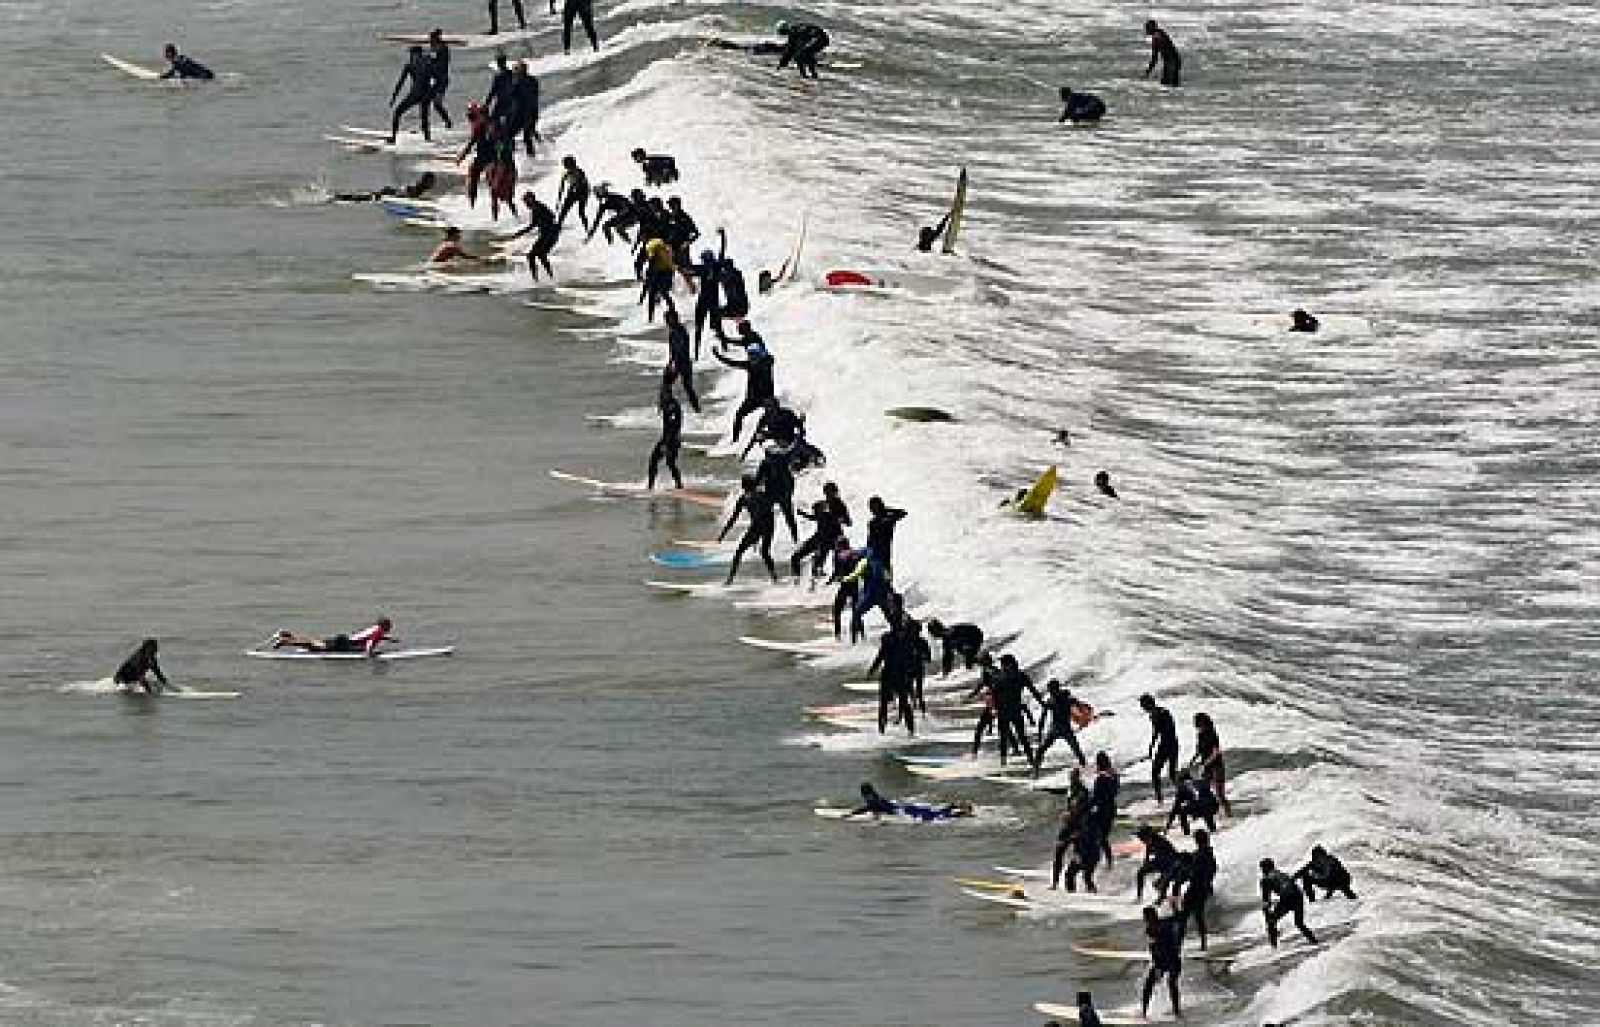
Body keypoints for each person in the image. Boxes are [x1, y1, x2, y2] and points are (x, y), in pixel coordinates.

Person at [713, 323, 776, 440]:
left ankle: (774, 438)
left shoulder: (765, 363)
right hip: (753, 398)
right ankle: (735, 440)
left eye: (753, 356)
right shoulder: (750, 364)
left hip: (766, 398)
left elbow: (769, 358)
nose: (751, 358)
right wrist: (718, 356)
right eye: (750, 356)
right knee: (739, 415)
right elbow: (732, 363)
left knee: (772, 418)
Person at [719, 475, 779, 584]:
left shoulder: (761, 495)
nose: (743, 486)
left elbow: (770, 509)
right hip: (756, 526)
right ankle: (730, 580)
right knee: (739, 552)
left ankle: (774, 578)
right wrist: (724, 533)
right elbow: (734, 517)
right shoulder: (743, 499)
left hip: (767, 526)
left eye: (744, 484)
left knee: (764, 552)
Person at [868, 620, 919, 735]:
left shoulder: (905, 641)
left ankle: (910, 731)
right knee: (885, 704)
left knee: (902, 703)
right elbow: (881, 655)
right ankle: (882, 731)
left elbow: (910, 660)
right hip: (890, 674)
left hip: (898, 675)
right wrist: (873, 668)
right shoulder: (897, 640)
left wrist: (873, 669)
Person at [1050, 767, 1095, 891]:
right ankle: (1055, 882)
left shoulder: (1083, 792)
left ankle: (1088, 884)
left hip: (1079, 827)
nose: (1071, 780)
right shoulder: (1071, 789)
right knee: (1059, 852)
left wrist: (1072, 813)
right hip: (1068, 826)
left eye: (1073, 777)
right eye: (1070, 777)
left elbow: (1082, 808)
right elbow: (1070, 805)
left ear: (1078, 777)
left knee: (1079, 856)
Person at [1260, 857, 1318, 947]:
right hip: (1298, 896)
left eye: (1262, 868)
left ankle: (1274, 948)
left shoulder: (1265, 880)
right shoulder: (1282, 874)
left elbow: (1266, 901)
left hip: (1288, 899)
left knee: (1271, 921)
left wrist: (1267, 914)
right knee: (1299, 923)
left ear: (1264, 869)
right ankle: (1314, 942)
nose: (1262, 870)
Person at [841, 547, 896, 640]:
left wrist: (844, 579)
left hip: (870, 594)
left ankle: (855, 641)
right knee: (889, 615)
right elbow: (888, 576)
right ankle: (897, 632)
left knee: (856, 614)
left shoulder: (863, 562)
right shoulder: (878, 561)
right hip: (882, 593)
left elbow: (855, 575)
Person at [1141, 906, 1184, 1019]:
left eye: (1146, 917)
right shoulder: (1149, 930)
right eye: (1145, 917)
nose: (1145, 919)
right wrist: (1157, 967)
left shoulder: (1164, 924)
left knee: (1172, 983)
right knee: (1148, 985)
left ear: (1153, 916)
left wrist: (1175, 906)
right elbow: (1153, 949)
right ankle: (1144, 1012)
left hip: (1173, 959)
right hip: (1160, 962)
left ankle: (1177, 1011)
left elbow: (1178, 918)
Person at [1035, 678, 1088, 769]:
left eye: (1052, 690)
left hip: (1064, 728)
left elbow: (1081, 706)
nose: (1051, 693)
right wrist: (1039, 732)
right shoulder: (1053, 700)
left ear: (1057, 689)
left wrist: (1084, 717)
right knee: (1041, 750)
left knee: (1077, 750)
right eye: (1050, 691)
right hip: (1056, 729)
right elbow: (1043, 718)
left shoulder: (1064, 699)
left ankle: (1085, 768)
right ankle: (1035, 769)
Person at [506, 190, 559, 279]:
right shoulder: (536, 208)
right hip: (548, 234)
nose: (526, 204)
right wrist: (520, 233)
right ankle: (547, 277)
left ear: (531, 199)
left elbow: (551, 216)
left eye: (526, 202)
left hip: (550, 235)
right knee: (538, 255)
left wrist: (547, 224)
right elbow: (533, 225)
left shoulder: (538, 208)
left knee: (534, 255)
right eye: (525, 202)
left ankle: (540, 278)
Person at [388, 46, 436, 143]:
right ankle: (427, 138)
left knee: (397, 113)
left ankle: (393, 138)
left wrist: (394, 97)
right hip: (427, 93)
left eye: (412, 54)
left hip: (416, 94)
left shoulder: (410, 65)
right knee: (424, 116)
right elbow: (436, 78)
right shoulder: (428, 63)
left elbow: (401, 82)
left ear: (416, 54)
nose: (410, 56)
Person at [791, 496, 848, 579]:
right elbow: (813, 517)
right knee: (796, 558)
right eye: (815, 511)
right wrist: (803, 514)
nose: (816, 513)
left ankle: (812, 575)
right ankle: (799, 577)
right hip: (820, 540)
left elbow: (841, 528)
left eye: (816, 511)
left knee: (815, 560)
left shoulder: (829, 517)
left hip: (826, 541)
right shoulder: (823, 516)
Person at [849, 783, 971, 821]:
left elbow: (868, 809)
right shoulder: (875, 797)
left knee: (933, 816)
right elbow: (872, 808)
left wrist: (850, 815)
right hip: (904, 807)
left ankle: (962, 813)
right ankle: (957, 806)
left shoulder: (873, 800)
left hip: (904, 811)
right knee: (934, 812)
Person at [646, 367, 684, 489]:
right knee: (666, 462)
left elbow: (674, 425)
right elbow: (666, 380)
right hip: (668, 437)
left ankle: (678, 486)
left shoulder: (672, 406)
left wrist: (667, 442)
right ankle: (677, 485)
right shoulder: (666, 392)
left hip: (671, 438)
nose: (660, 400)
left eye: (663, 398)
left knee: (663, 461)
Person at [754, 442, 800, 542]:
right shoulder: (782, 459)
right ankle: (796, 539)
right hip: (780, 493)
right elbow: (794, 449)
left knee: (764, 517)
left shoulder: (768, 462)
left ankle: (759, 540)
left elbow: (758, 480)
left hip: (775, 493)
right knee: (789, 517)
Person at [272, 617, 394, 655]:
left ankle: (286, 635)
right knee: (314, 645)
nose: (391, 628)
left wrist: (388, 639)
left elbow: (367, 637)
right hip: (345, 644)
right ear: (384, 626)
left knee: (313, 641)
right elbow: (370, 642)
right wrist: (368, 655)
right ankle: (285, 640)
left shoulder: (376, 629)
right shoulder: (378, 632)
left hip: (344, 640)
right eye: (389, 626)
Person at [1140, 693, 1181, 803]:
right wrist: (1151, 747)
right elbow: (1156, 732)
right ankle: (1160, 799)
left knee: (1166, 773)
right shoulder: (1156, 714)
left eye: (1143, 705)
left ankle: (1181, 793)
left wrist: (1156, 747)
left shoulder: (1161, 713)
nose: (1142, 708)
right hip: (1168, 744)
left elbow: (1167, 730)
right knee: (1161, 773)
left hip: (1169, 744)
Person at [1191, 711, 1231, 816]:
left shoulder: (1212, 734)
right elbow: (1199, 751)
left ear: (1203, 722)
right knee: (1204, 791)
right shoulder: (1200, 735)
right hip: (1206, 766)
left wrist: (1206, 764)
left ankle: (1228, 814)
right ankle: (1209, 814)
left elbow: (1216, 752)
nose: (1195, 725)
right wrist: (1192, 761)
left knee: (1219, 793)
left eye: (1197, 723)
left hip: (1216, 766)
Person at [1183, 829, 1217, 950]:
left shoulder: (1204, 854)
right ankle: (1202, 943)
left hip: (1198, 887)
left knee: (1191, 914)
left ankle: (1202, 943)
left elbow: (1204, 871)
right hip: (1200, 887)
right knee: (1194, 914)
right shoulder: (1205, 853)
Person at [661, 309, 701, 412]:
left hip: (684, 363)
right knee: (667, 385)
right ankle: (664, 408)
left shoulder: (680, 331)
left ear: (675, 319)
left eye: (669, 320)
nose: (667, 322)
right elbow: (673, 352)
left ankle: (696, 409)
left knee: (687, 387)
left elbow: (681, 349)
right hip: (679, 363)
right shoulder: (673, 332)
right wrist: (670, 363)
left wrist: (675, 366)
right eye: (666, 320)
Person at [828, 540, 865, 641]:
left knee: (836, 610)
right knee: (856, 612)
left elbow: (837, 572)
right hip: (855, 586)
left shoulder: (840, 555)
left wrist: (832, 579)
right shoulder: (856, 554)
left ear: (840, 546)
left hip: (846, 586)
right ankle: (861, 635)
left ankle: (838, 636)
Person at [1088, 750, 1120, 866]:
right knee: (1102, 837)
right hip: (1111, 808)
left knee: (1097, 837)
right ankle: (1108, 861)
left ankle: (1104, 861)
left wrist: (1086, 808)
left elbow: (1095, 798)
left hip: (1102, 810)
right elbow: (1115, 792)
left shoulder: (1101, 778)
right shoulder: (1114, 774)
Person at [1164, 770, 1219, 835]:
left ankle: (1186, 832)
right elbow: (1212, 797)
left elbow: (1176, 808)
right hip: (1210, 806)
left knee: (1183, 810)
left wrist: (1168, 825)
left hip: (1205, 807)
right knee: (1203, 807)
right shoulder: (1201, 782)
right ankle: (1212, 828)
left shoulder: (1182, 788)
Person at [636, 235, 677, 322]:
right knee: (665, 294)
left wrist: (649, 271)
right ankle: (673, 312)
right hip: (667, 271)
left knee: (652, 295)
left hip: (658, 272)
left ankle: (650, 319)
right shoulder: (661, 243)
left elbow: (652, 259)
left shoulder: (650, 245)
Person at [1134, 825, 1181, 902]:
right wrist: (1146, 863)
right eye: (1140, 838)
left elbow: (1170, 857)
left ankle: (1164, 898)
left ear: (1148, 835)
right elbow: (1148, 852)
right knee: (1140, 873)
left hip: (1171, 864)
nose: (1140, 840)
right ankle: (1139, 897)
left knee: (1159, 884)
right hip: (1161, 861)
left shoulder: (1160, 842)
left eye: (1141, 837)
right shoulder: (1149, 841)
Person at [334, 171, 439, 203]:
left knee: (362, 198)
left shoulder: (421, 188)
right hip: (386, 194)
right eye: (432, 181)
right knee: (361, 199)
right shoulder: (419, 188)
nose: (433, 184)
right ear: (426, 181)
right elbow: (407, 193)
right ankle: (337, 197)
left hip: (388, 193)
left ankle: (339, 197)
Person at [507, 62, 542, 156]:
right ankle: (537, 149)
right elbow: (534, 97)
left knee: (511, 135)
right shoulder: (533, 80)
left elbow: (511, 96)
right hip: (531, 111)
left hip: (523, 113)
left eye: (518, 70)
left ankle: (513, 155)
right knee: (528, 135)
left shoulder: (518, 82)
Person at [865, 496, 907, 572]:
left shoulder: (888, 519)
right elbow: (870, 538)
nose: (872, 510)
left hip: (881, 551)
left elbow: (903, 513)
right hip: (878, 551)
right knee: (882, 572)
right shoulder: (875, 522)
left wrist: (885, 509)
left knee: (883, 571)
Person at [555, 156, 593, 234]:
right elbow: (561, 187)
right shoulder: (567, 174)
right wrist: (559, 200)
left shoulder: (580, 172)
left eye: (566, 164)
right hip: (573, 192)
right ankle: (557, 227)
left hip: (583, 193)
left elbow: (583, 184)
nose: (565, 166)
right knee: (564, 211)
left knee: (581, 212)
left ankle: (587, 229)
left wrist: (574, 188)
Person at [425, 29, 454, 130]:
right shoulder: (435, 48)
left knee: (437, 103)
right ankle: (426, 126)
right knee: (428, 102)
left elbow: (439, 64)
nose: (430, 41)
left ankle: (448, 122)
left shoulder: (441, 49)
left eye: (431, 39)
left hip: (441, 80)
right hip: (435, 80)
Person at [1144, 20, 1182, 87]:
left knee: (1168, 84)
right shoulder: (1160, 33)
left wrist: (1149, 70)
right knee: (1170, 85)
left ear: (1153, 27)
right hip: (1172, 61)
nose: (1146, 30)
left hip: (1171, 62)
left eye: (1147, 27)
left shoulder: (1157, 37)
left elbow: (1154, 57)